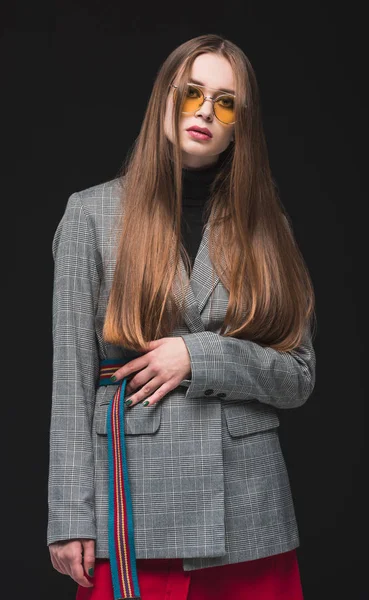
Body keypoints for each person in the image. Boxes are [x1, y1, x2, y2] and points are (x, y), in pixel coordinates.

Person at [48, 33, 317, 600]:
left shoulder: (269, 229)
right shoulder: (91, 214)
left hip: (250, 515)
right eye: (191, 92)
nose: (204, 111)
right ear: (164, 100)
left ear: (241, 123)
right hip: (135, 512)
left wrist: (203, 355)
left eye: (225, 101)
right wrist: (70, 514)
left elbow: (297, 376)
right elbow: (69, 380)